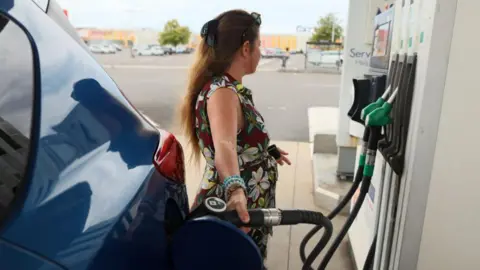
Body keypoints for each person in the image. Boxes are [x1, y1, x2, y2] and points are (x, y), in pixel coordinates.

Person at [179, 9, 291, 268]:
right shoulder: (223, 92)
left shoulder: (227, 88)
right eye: (259, 45)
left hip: (247, 205)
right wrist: (236, 191)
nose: (261, 52)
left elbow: (238, 137)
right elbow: (224, 145)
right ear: (245, 48)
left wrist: (267, 149)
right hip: (235, 208)